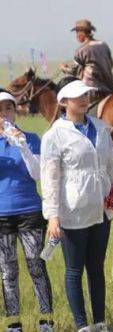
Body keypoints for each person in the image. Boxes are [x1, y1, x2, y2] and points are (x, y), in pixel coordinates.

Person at [40, 79, 113, 332]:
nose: (84, 99)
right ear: (64, 102)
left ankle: (99, 322)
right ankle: (81, 325)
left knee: (96, 268)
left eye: (86, 95)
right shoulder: (54, 135)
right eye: (78, 96)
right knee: (74, 269)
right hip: (72, 210)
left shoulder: (101, 128)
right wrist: (53, 216)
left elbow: (111, 165)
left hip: (101, 210)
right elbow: (50, 177)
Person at [0, 91, 54, 332]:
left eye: (8, 109)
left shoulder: (31, 138)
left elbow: (39, 175)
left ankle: (46, 321)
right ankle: (13, 324)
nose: (4, 114)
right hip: (1, 215)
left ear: (15, 111)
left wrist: (21, 146)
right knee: (8, 271)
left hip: (30, 211)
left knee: (36, 266)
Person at [60, 19, 113, 104]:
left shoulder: (81, 50)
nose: (76, 35)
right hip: (109, 86)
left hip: (91, 88)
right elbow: (111, 64)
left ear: (82, 32)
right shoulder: (103, 44)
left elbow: (75, 70)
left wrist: (64, 68)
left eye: (77, 32)